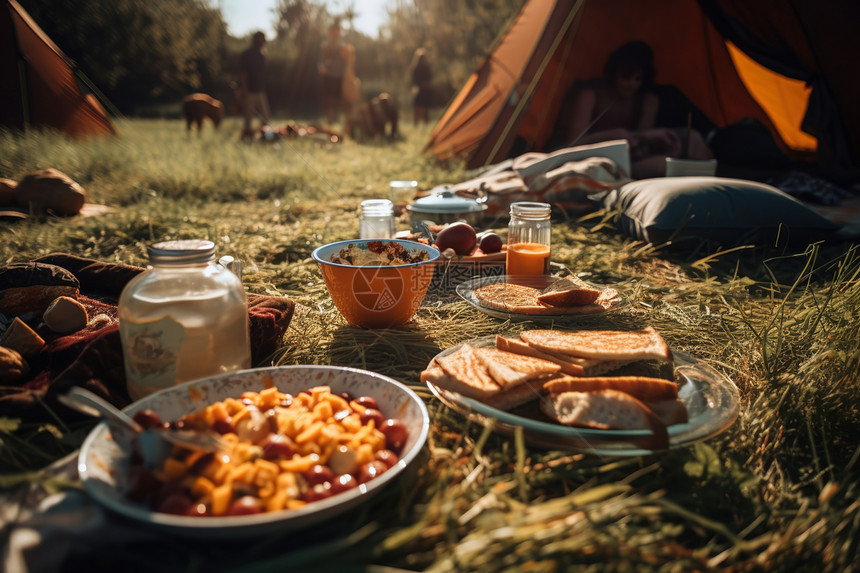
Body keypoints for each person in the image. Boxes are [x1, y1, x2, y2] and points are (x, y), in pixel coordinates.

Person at [565, 41, 712, 178]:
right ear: (613, 73)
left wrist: (657, 141)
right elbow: (571, 145)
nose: (631, 84)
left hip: (629, 159)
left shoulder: (646, 100)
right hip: (591, 159)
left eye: (637, 79)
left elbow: (640, 148)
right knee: (661, 166)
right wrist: (616, 136)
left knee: (689, 142)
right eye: (625, 77)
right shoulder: (590, 95)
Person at [319, 20, 353, 132]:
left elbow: (349, 62)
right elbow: (321, 63)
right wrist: (323, 69)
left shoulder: (344, 47)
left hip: (341, 79)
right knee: (329, 103)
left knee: (346, 103)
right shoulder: (325, 47)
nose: (335, 33)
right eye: (333, 31)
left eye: (337, 31)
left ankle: (348, 128)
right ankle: (330, 129)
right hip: (329, 79)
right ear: (330, 32)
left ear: (339, 32)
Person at [239, 31, 270, 135]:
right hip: (250, 91)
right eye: (263, 39)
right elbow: (244, 73)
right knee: (248, 117)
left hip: (261, 90)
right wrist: (244, 90)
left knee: (265, 117)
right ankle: (246, 137)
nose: (264, 41)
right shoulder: (247, 54)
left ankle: (264, 136)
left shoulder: (262, 55)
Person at [410, 48, 434, 125]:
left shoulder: (425, 67)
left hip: (424, 90)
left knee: (423, 107)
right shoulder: (417, 68)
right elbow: (414, 80)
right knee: (419, 106)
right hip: (420, 89)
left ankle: (423, 123)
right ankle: (417, 123)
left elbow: (429, 77)